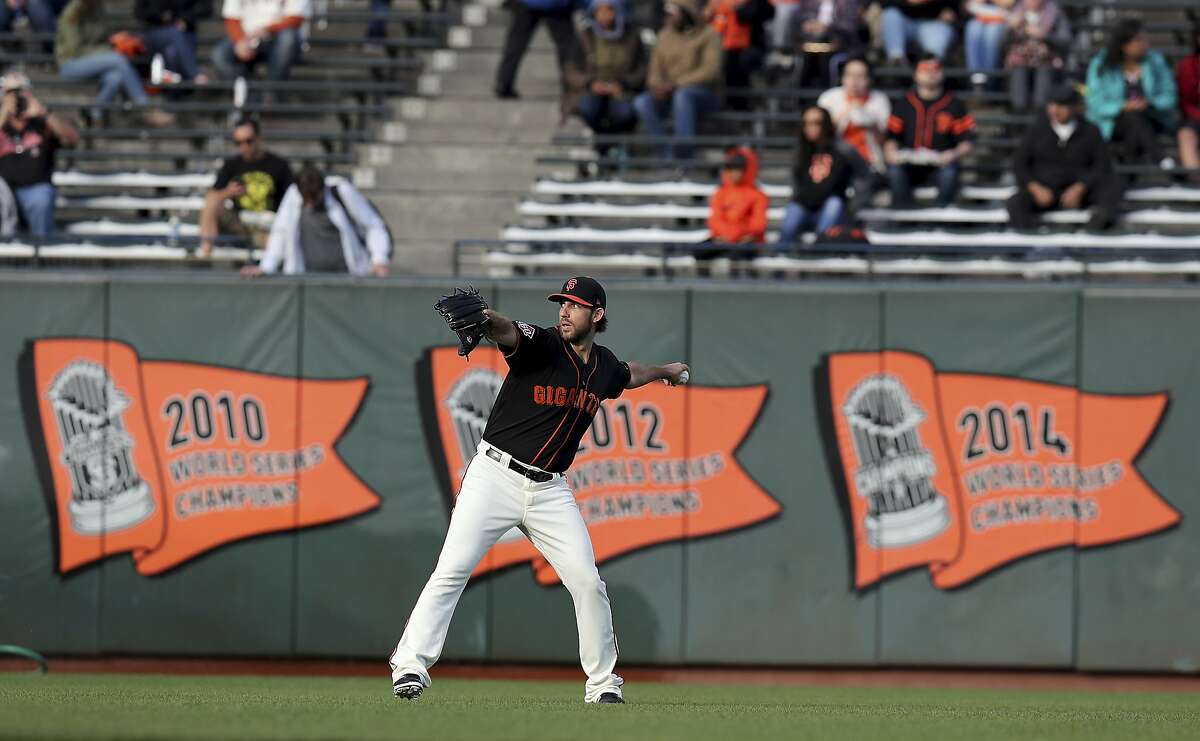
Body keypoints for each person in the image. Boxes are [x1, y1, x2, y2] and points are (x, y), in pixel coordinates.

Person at [389, 276, 690, 705]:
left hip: (550, 490)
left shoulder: (603, 366)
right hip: (494, 475)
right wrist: (486, 319)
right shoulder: (544, 345)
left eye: (575, 305)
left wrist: (664, 372)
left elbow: (628, 374)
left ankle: (604, 684)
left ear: (597, 314)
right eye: (561, 304)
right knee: (452, 569)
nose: (564, 311)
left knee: (587, 582)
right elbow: (509, 330)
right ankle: (410, 666)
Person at [1006, 83, 1122, 232]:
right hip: (1045, 190)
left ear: (1075, 108)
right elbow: (1020, 165)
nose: (1055, 110)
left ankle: (1092, 233)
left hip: (1081, 191)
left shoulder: (1090, 130)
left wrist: (1081, 187)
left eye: (1062, 105)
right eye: (1052, 104)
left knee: (1113, 190)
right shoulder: (1035, 130)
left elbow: (1102, 166)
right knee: (1016, 203)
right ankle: (1033, 242)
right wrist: (1035, 187)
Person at [241, 165, 391, 276]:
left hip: (349, 277)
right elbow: (281, 232)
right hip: (308, 281)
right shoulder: (293, 195)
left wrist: (379, 259)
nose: (311, 204)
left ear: (323, 188)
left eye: (315, 197)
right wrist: (266, 267)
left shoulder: (341, 191)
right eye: (307, 199)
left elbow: (373, 225)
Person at [56, 0, 176, 127]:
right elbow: (75, 50)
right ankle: (145, 108)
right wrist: (105, 52)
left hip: (96, 58)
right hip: (71, 64)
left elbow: (103, 37)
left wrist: (117, 40)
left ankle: (95, 114)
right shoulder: (73, 12)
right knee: (118, 60)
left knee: (115, 77)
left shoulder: (98, 9)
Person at [633, 0, 723, 161]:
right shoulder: (664, 35)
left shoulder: (709, 34)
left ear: (686, 13)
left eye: (673, 13)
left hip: (703, 94)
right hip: (669, 93)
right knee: (642, 102)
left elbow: (710, 71)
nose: (668, 17)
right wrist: (657, 85)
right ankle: (665, 153)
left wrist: (675, 85)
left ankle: (684, 152)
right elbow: (654, 70)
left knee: (683, 95)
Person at [1085, 18, 1178, 168]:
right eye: (1138, 41)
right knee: (1132, 119)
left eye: (1145, 40)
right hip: (1111, 122)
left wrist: (1151, 102)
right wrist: (1122, 106)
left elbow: (1170, 95)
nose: (1145, 45)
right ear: (1124, 45)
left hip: (1152, 117)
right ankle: (1159, 158)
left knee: (1135, 124)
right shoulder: (1101, 65)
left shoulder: (1156, 61)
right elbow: (1094, 103)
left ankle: (1127, 176)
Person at [884, 55, 975, 207]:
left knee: (950, 172)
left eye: (935, 69)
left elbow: (967, 141)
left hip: (941, 164)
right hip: (909, 163)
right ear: (916, 75)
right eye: (925, 70)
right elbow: (891, 136)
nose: (931, 73)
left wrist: (953, 154)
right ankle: (904, 217)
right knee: (894, 171)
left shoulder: (954, 104)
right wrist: (891, 152)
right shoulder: (904, 103)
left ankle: (941, 216)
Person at [198, 118, 293, 257]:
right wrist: (228, 193)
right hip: (240, 225)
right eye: (238, 143)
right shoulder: (231, 165)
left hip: (269, 225)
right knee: (212, 200)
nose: (244, 147)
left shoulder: (279, 165)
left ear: (259, 139)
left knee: (276, 242)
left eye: (248, 141)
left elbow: (291, 200)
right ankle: (206, 254)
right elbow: (213, 196)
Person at [0, 71, 79, 236]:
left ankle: (40, 255)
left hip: (35, 188)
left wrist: (45, 113)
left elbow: (72, 138)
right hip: (4, 190)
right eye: (9, 92)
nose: (16, 97)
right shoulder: (2, 121)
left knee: (40, 199)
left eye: (20, 91)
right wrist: (4, 112)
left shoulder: (42, 121)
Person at [568, 0, 646, 137]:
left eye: (608, 11)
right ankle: (601, 144)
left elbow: (642, 68)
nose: (604, 16)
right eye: (599, 11)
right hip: (592, 88)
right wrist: (590, 83)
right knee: (588, 108)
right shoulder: (585, 35)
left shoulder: (632, 35)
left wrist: (623, 84)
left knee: (623, 112)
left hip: (622, 89)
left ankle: (615, 142)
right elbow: (571, 70)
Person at [778, 105, 852, 244]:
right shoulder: (801, 151)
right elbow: (798, 183)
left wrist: (856, 205)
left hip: (831, 207)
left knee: (834, 204)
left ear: (826, 125)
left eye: (816, 123)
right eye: (806, 123)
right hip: (805, 206)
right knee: (791, 218)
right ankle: (779, 258)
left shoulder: (843, 150)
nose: (810, 128)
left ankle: (819, 252)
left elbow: (862, 177)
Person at [493, 0, 584, 99]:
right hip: (556, 5)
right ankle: (570, 86)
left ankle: (503, 83)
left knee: (515, 44)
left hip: (528, 3)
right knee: (567, 46)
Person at [817, 57, 890, 174]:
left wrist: (872, 123)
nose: (854, 81)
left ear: (869, 79)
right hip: (834, 160)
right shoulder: (829, 98)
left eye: (860, 76)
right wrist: (845, 112)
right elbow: (818, 134)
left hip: (869, 163)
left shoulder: (879, 100)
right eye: (849, 75)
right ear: (842, 77)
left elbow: (884, 140)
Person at [212, 0, 310, 83]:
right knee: (220, 54)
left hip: (277, 39)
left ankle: (272, 93)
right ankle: (250, 95)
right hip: (247, 38)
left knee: (287, 39)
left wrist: (268, 29)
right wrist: (240, 41)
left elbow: (296, 18)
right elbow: (231, 17)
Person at [1003, 0, 1070, 111]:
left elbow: (1066, 41)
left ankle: (1040, 114)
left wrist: (1044, 36)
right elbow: (1001, 44)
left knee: (1041, 99)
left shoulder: (1055, 13)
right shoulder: (1015, 13)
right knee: (1018, 98)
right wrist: (1011, 29)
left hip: (1046, 60)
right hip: (1019, 61)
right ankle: (1019, 117)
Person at [705, 0, 772, 110]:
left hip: (747, 48)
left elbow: (767, 12)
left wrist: (739, 7)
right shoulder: (715, 3)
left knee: (740, 65)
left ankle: (742, 107)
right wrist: (708, 11)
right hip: (719, 47)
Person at [787, 0, 863, 87]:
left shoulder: (847, 3)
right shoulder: (808, 2)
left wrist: (827, 27)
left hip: (839, 45)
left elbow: (850, 26)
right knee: (805, 59)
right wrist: (807, 26)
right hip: (811, 44)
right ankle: (801, 96)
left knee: (825, 58)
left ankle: (826, 91)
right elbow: (798, 20)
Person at [135, 0, 208, 84]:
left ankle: (175, 91)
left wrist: (184, 20)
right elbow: (139, 12)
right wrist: (161, 17)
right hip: (152, 32)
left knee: (171, 53)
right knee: (174, 33)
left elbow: (204, 9)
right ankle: (195, 74)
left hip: (181, 32)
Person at [708, 146, 768, 243]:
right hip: (724, 238)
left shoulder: (757, 195)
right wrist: (725, 235)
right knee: (699, 251)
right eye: (731, 169)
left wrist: (737, 235)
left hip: (746, 239)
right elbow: (715, 220)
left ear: (746, 171)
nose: (735, 173)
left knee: (737, 254)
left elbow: (758, 224)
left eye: (738, 169)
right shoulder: (721, 193)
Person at [878, 0, 957, 65]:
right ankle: (896, 61)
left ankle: (931, 68)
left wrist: (950, 10)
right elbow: (884, 4)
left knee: (937, 41)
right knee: (891, 15)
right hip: (904, 21)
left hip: (933, 22)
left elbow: (954, 7)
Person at [963, 0, 1012, 87]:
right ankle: (976, 76)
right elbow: (969, 5)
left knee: (992, 33)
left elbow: (1009, 4)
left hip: (1003, 18)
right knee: (973, 27)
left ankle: (989, 78)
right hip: (981, 16)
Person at [1175, 24, 1200, 172]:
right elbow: (1185, 99)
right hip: (1194, 116)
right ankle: (1197, 183)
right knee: (1186, 135)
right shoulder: (1188, 65)